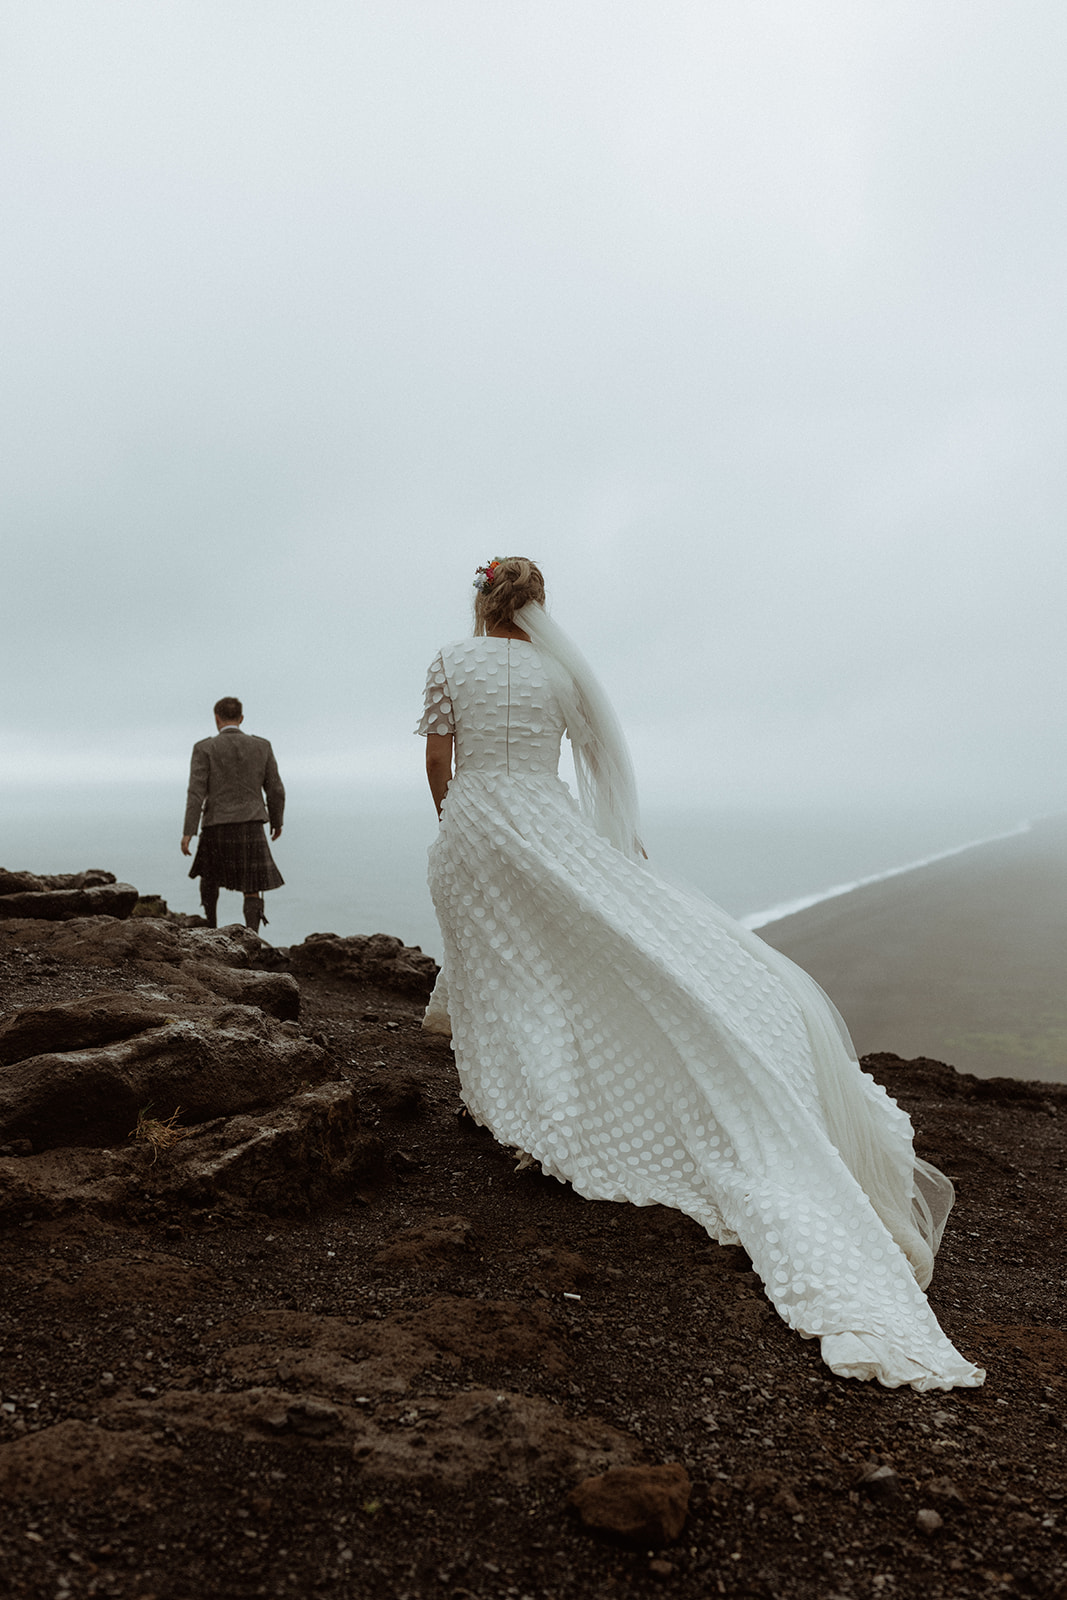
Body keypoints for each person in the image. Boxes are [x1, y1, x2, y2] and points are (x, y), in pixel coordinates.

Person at [417, 557, 984, 1392]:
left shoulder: (447, 661)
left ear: (481, 600)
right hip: (545, 818)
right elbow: (594, 760)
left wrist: (460, 819)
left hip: (478, 824)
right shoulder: (557, 668)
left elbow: (441, 760)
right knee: (557, 965)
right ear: (537, 605)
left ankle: (526, 1111)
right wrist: (608, 842)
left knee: (507, 968)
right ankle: (540, 1113)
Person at [181, 696, 285, 932]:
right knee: (252, 884)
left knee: (209, 877)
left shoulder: (204, 748)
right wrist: (277, 821)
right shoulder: (262, 746)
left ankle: (210, 927)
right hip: (251, 823)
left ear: (216, 718)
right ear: (241, 718)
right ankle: (252, 936)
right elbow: (276, 789)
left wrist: (189, 831)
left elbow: (196, 793)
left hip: (216, 823)